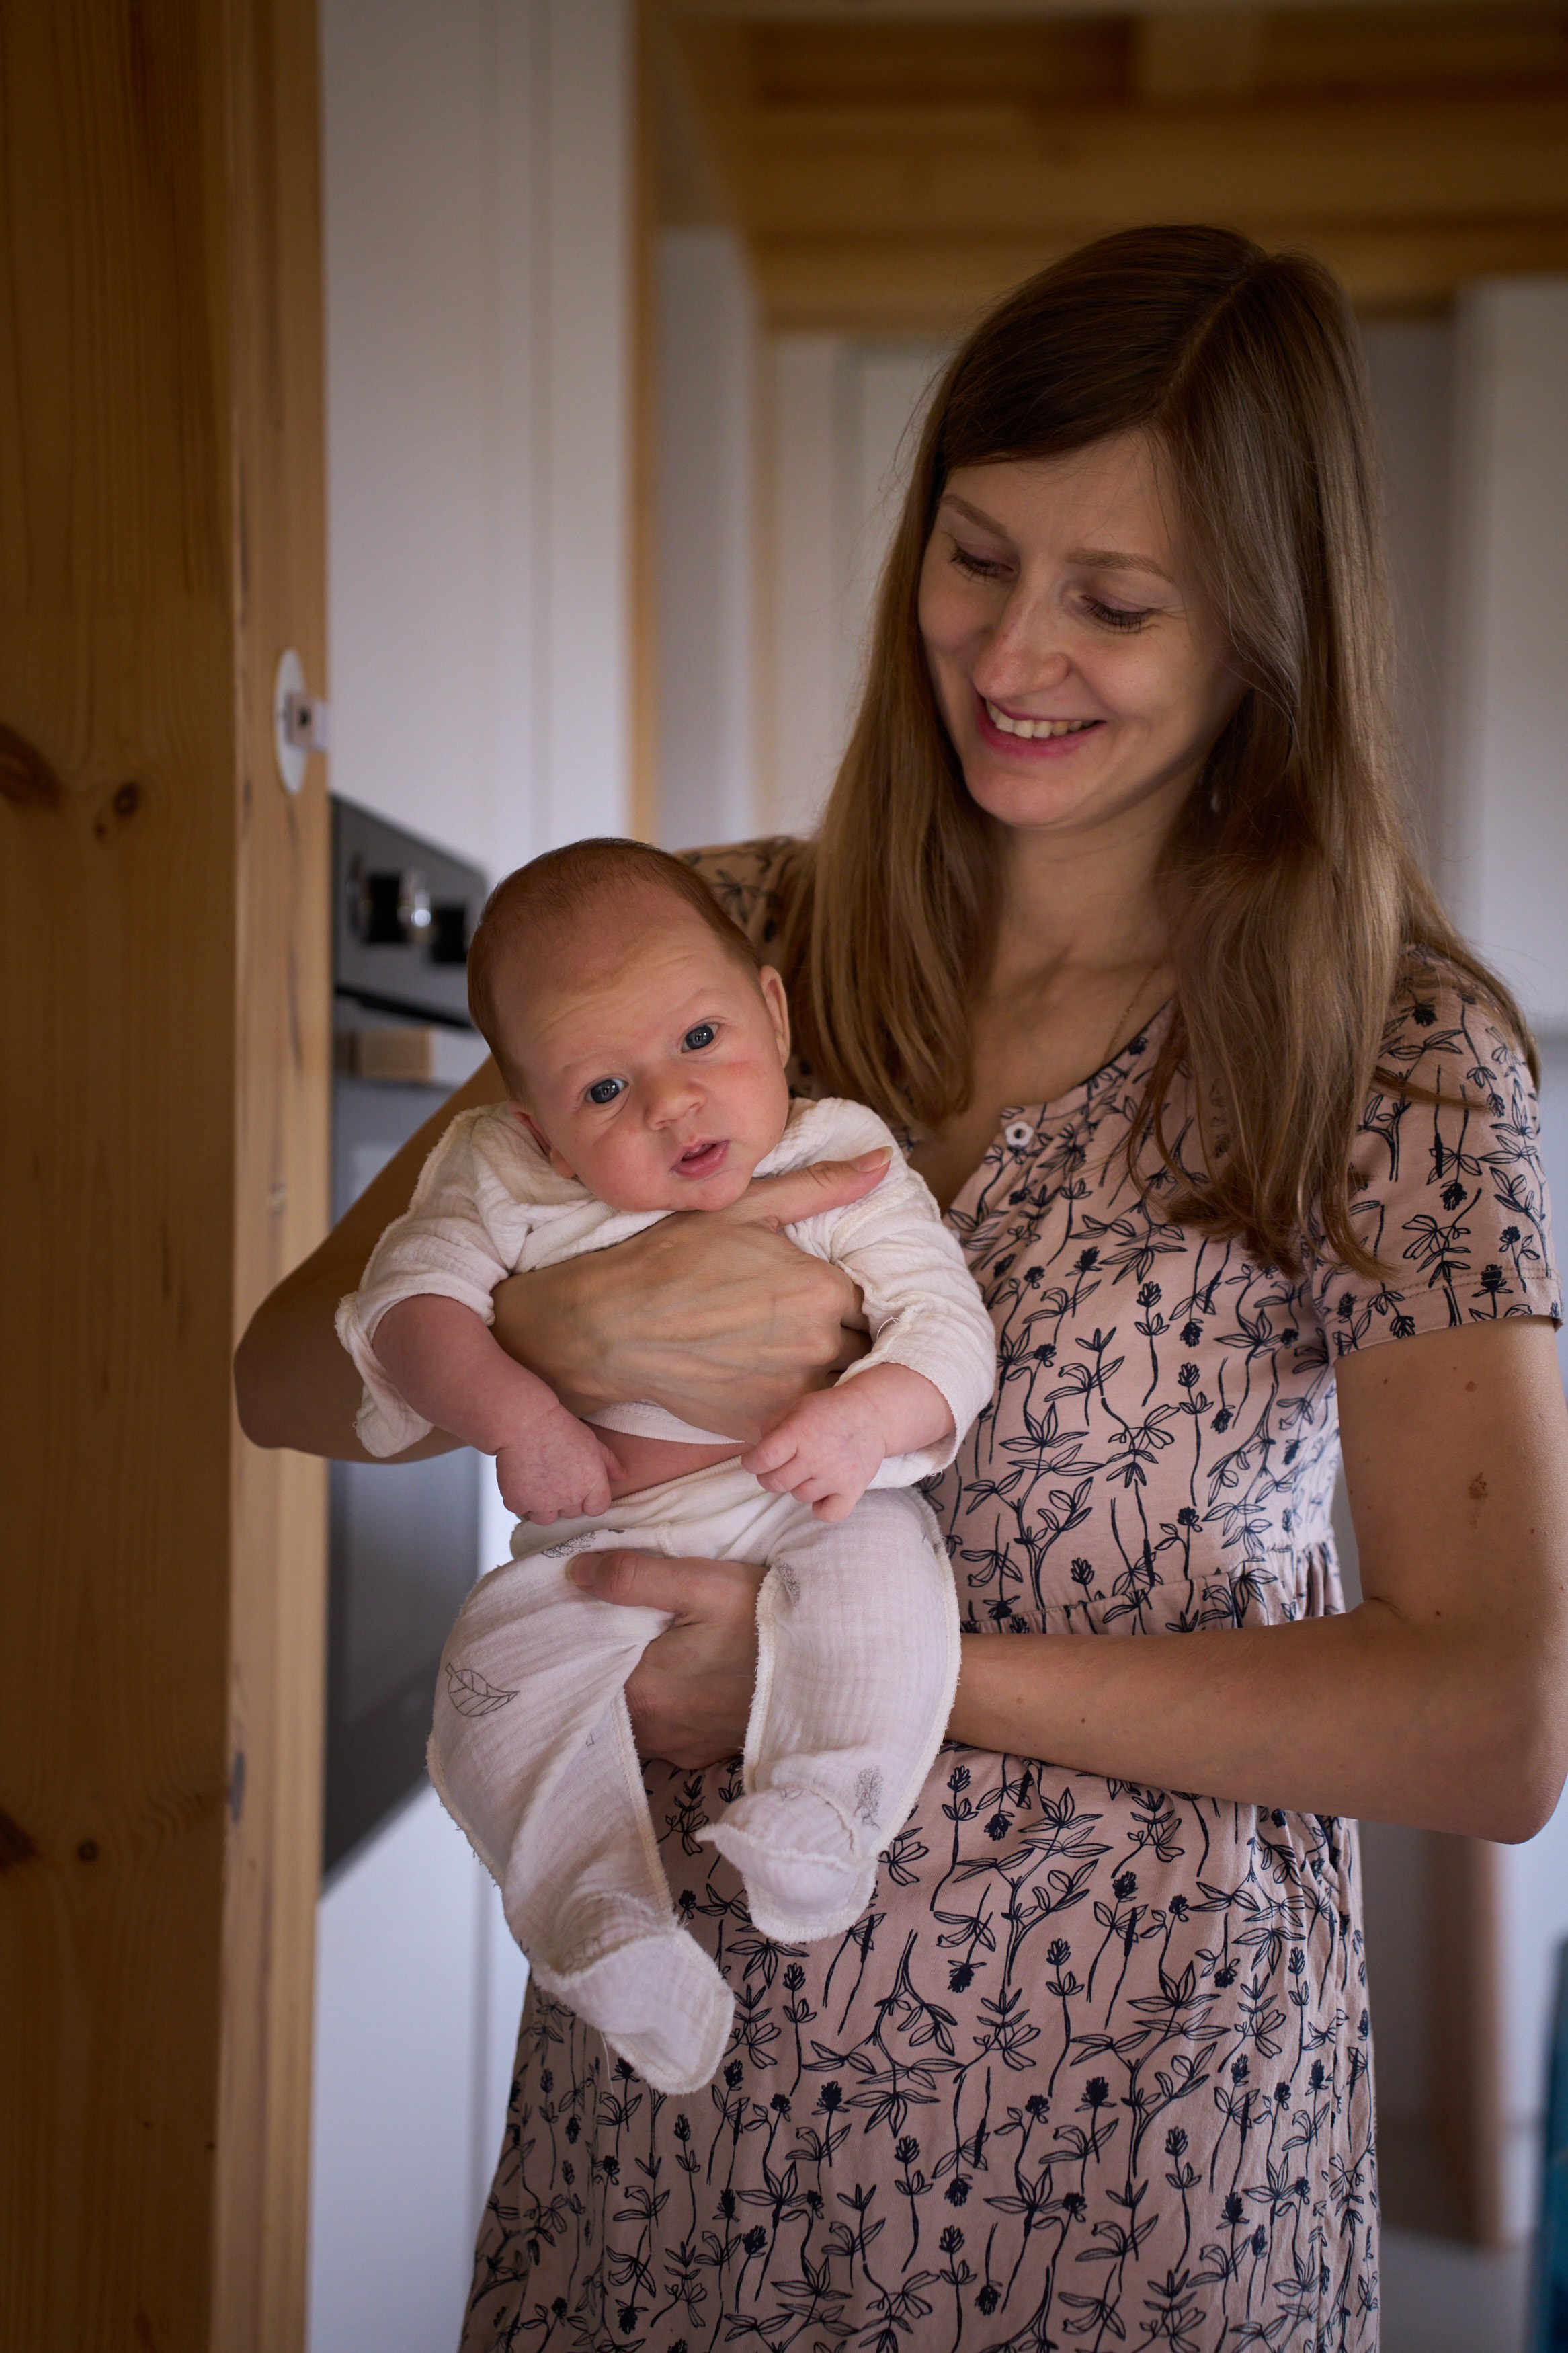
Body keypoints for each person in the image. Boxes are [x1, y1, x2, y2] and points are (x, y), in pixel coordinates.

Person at [237, 226, 1568, 2350]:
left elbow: (1490, 1721)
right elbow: (283, 1373)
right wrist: (554, 1337)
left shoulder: (1386, 1057)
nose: (1011, 652)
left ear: (1264, 630)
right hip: (673, 2154)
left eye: (1113, 601)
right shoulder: (710, 949)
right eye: (973, 556)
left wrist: (858, 1673)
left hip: (1122, 2166)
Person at [336, 837, 994, 2095]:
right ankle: (595, 1918)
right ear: (536, 1126)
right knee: (491, 1676)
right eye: (603, 1089)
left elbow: (946, 1331)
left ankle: (822, 1810)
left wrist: (863, 1421)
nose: (671, 1103)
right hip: (598, 1551)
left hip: (802, 1511)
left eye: (699, 1039)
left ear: (772, 1012)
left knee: (885, 1588)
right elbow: (403, 1312)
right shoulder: (498, 1175)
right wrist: (520, 1416)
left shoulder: (838, 1157)